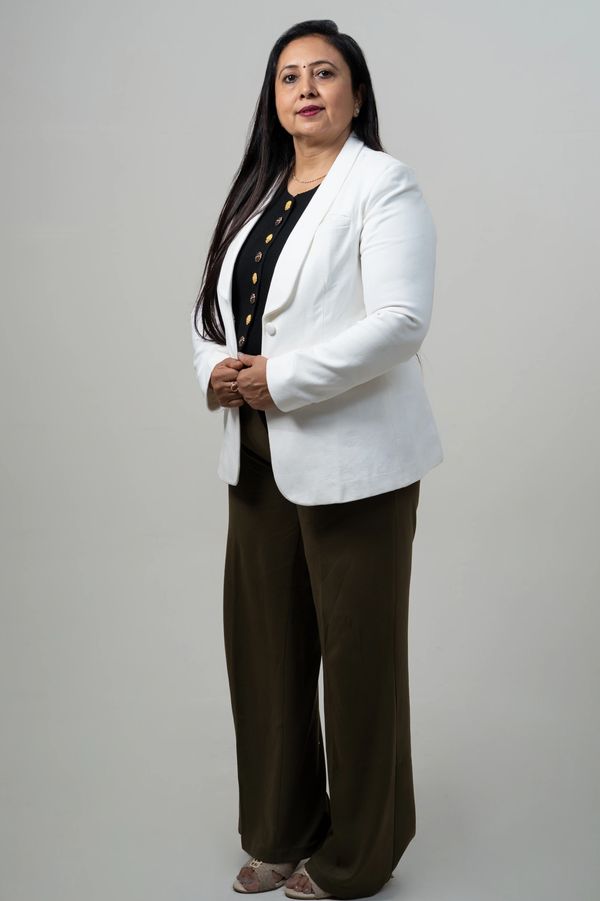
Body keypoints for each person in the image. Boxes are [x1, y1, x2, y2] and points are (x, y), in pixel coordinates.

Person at [190, 19, 443, 901]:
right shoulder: (256, 196)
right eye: (289, 75)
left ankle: (356, 856)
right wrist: (215, 373)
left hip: (358, 461)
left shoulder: (383, 184)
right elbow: (209, 317)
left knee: (360, 657)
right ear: (274, 99)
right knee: (264, 652)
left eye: (324, 73)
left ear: (356, 92)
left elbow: (403, 319)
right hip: (255, 456)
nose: (306, 88)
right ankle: (279, 829)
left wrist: (282, 378)